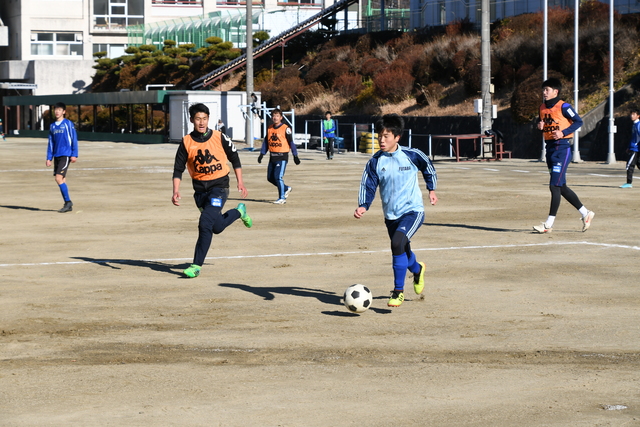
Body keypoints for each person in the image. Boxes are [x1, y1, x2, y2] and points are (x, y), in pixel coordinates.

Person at [354, 114, 438, 308]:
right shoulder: (375, 162)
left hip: (413, 211)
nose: (381, 141)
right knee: (403, 249)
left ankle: (398, 291)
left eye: (386, 136)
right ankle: (417, 270)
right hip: (391, 215)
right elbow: (368, 185)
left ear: (397, 137)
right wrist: (363, 205)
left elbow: (428, 168)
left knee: (397, 242)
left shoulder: (412, 154)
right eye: (379, 136)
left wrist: (431, 189)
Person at [172, 103, 252, 278]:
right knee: (216, 227)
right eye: (198, 119)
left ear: (209, 119)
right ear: (192, 120)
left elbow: (235, 158)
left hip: (219, 188)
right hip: (200, 192)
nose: (202, 122)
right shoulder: (186, 142)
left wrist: (240, 182)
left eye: (205, 118)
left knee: (205, 223)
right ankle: (239, 212)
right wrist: (176, 190)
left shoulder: (219, 136)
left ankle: (196, 265)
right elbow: (178, 169)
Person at [533, 78, 594, 233]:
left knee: (554, 186)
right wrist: (540, 126)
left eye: (547, 89)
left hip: (562, 149)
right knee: (562, 187)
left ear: (556, 91)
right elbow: (544, 125)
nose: (544, 92)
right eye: (543, 90)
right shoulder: (542, 107)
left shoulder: (564, 106)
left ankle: (548, 224)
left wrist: (563, 132)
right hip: (550, 149)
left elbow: (578, 121)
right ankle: (586, 213)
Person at [258, 108, 300, 204]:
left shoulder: (286, 128)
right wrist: (262, 154)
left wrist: (295, 155)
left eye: (277, 116)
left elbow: (291, 142)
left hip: (282, 157)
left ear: (281, 117)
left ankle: (282, 198)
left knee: (278, 177)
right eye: (273, 116)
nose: (275, 118)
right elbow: (266, 142)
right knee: (270, 178)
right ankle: (286, 188)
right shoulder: (269, 128)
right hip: (272, 157)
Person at [46, 102, 78, 213]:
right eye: (56, 109)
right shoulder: (52, 126)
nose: (57, 111)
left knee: (58, 178)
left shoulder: (68, 124)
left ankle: (68, 202)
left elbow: (74, 139)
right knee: (62, 179)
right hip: (57, 155)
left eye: (59, 110)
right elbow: (51, 142)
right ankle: (67, 204)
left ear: (64, 111)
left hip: (66, 154)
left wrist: (74, 154)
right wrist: (49, 157)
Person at [620, 107, 640, 188]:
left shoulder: (638, 125)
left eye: (634, 114)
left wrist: (634, 146)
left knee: (629, 165)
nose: (631, 116)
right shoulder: (634, 125)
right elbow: (633, 138)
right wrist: (629, 147)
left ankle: (629, 183)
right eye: (631, 114)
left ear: (638, 116)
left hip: (636, 149)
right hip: (633, 148)